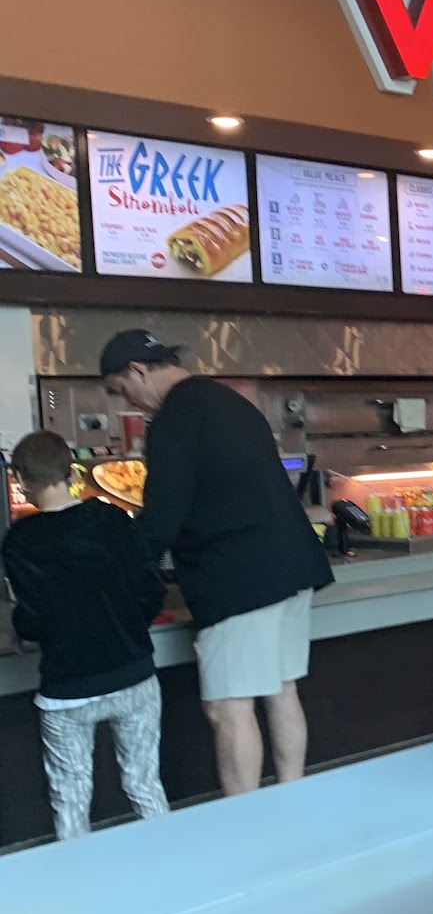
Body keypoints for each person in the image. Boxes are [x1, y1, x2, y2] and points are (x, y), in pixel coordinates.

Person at [100, 329, 334, 797]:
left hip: (239, 576)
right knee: (281, 690)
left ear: (138, 371)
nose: (129, 403)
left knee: (229, 706)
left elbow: (164, 515)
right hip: (291, 565)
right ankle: (293, 803)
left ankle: (243, 822)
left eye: (122, 390)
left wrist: (118, 568)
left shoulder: (173, 419)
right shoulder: (229, 401)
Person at [2, 428, 169, 840]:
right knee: (144, 784)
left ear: (22, 480)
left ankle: (78, 875)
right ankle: (171, 861)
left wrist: (18, 629)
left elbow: (36, 619)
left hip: (68, 690)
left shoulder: (20, 542)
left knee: (72, 796)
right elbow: (150, 590)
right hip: (133, 677)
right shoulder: (113, 518)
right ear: (71, 472)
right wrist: (126, 624)